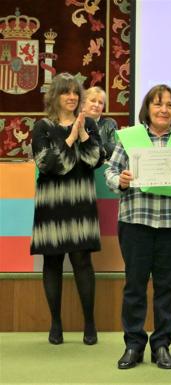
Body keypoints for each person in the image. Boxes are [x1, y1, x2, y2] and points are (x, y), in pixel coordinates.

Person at [105, 84, 171, 370]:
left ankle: (161, 345)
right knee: (134, 286)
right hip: (135, 221)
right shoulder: (129, 138)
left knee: (166, 287)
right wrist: (120, 180)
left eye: (170, 105)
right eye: (158, 104)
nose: (164, 110)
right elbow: (111, 172)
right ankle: (133, 345)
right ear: (147, 109)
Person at [30, 72, 104, 345]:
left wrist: (83, 133)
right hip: (52, 204)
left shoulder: (90, 125)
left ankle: (89, 324)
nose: (72, 97)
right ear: (55, 96)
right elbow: (48, 165)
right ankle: (56, 324)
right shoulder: (43, 128)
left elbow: (95, 160)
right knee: (52, 262)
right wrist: (70, 139)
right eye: (66, 92)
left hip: (80, 201)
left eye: (75, 92)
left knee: (83, 262)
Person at [83, 86, 118, 159]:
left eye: (100, 103)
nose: (96, 105)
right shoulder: (75, 123)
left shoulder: (109, 123)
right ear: (83, 103)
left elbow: (114, 150)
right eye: (93, 101)